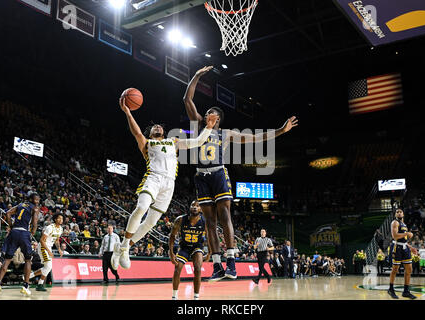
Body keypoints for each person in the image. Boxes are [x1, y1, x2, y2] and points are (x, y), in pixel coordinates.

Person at [183, 66, 298, 281]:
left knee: (225, 215)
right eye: (207, 111)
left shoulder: (226, 134)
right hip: (201, 175)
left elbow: (257, 138)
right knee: (209, 222)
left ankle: (231, 263)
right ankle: (217, 265)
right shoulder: (198, 125)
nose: (209, 113)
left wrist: (281, 131)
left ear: (218, 119)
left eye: (213, 113)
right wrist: (197, 76)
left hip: (218, 173)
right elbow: (187, 99)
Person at [111, 96, 219, 271]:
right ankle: (124, 247)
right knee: (141, 207)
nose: (158, 127)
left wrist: (208, 127)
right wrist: (128, 113)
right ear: (151, 132)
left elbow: (197, 142)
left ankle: (121, 249)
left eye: (159, 126)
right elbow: (137, 133)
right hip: (153, 178)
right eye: (154, 127)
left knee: (151, 223)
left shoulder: (173, 142)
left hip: (169, 184)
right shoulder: (147, 143)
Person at [0, 193, 39, 297]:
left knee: (7, 259)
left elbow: (8, 213)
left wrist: (11, 225)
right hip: (24, 233)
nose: (37, 201)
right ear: (32, 200)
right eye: (36, 199)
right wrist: (33, 231)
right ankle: (25, 286)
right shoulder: (35, 208)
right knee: (28, 259)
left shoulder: (20, 205)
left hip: (14, 232)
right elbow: (35, 221)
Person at [168, 200, 210, 300]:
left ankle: (196, 297)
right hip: (184, 247)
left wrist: (209, 253)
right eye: (193, 205)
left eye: (197, 206)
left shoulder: (205, 222)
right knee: (177, 269)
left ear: (201, 209)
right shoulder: (180, 219)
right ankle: (174, 296)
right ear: (190, 207)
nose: (195, 207)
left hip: (197, 247)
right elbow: (172, 236)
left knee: (198, 269)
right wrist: (171, 253)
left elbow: (209, 238)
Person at [387, 208, 417, 299]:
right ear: (395, 214)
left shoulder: (404, 224)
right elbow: (395, 236)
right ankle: (391, 289)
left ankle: (406, 291)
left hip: (404, 247)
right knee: (395, 269)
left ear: (403, 214)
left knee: (409, 269)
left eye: (400, 212)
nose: (399, 213)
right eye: (397, 212)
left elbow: (403, 239)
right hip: (397, 247)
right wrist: (407, 233)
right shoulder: (395, 222)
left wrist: (410, 247)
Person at [29, 213, 63, 291]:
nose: (61, 220)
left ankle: (31, 278)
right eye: (59, 218)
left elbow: (57, 240)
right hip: (43, 246)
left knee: (48, 267)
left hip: (49, 247)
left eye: (62, 219)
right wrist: (48, 251)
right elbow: (41, 240)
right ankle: (37, 282)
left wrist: (59, 249)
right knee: (48, 266)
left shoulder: (61, 229)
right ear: (55, 219)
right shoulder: (50, 227)